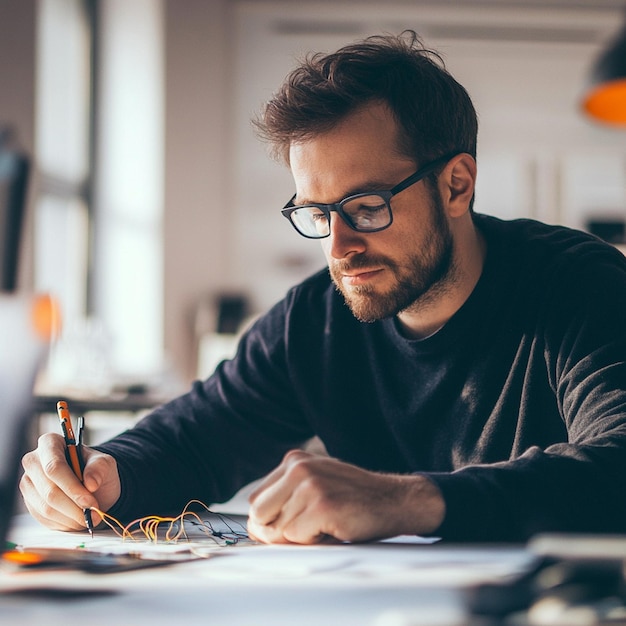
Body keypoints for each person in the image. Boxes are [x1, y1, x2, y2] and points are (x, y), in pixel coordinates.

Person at [21, 31, 626, 544]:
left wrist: (407, 501)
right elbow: (195, 438)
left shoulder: (580, 286)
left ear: (457, 185)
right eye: (317, 214)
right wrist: (102, 475)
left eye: (365, 206)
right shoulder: (315, 319)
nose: (337, 248)